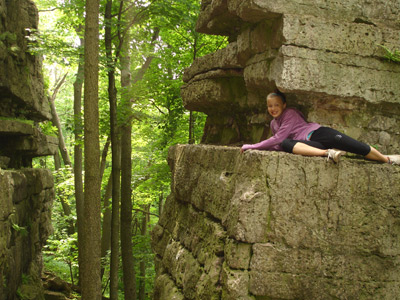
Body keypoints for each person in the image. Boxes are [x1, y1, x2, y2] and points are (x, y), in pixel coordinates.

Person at [240, 90, 400, 165]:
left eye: (276, 105)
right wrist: (261, 149)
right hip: (311, 146)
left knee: (356, 147)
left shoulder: (290, 113)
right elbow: (278, 143)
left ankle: (387, 159)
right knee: (286, 144)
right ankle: (328, 154)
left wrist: (252, 146)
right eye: (269, 106)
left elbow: (278, 138)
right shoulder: (274, 124)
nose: (273, 108)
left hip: (318, 134)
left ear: (284, 105)